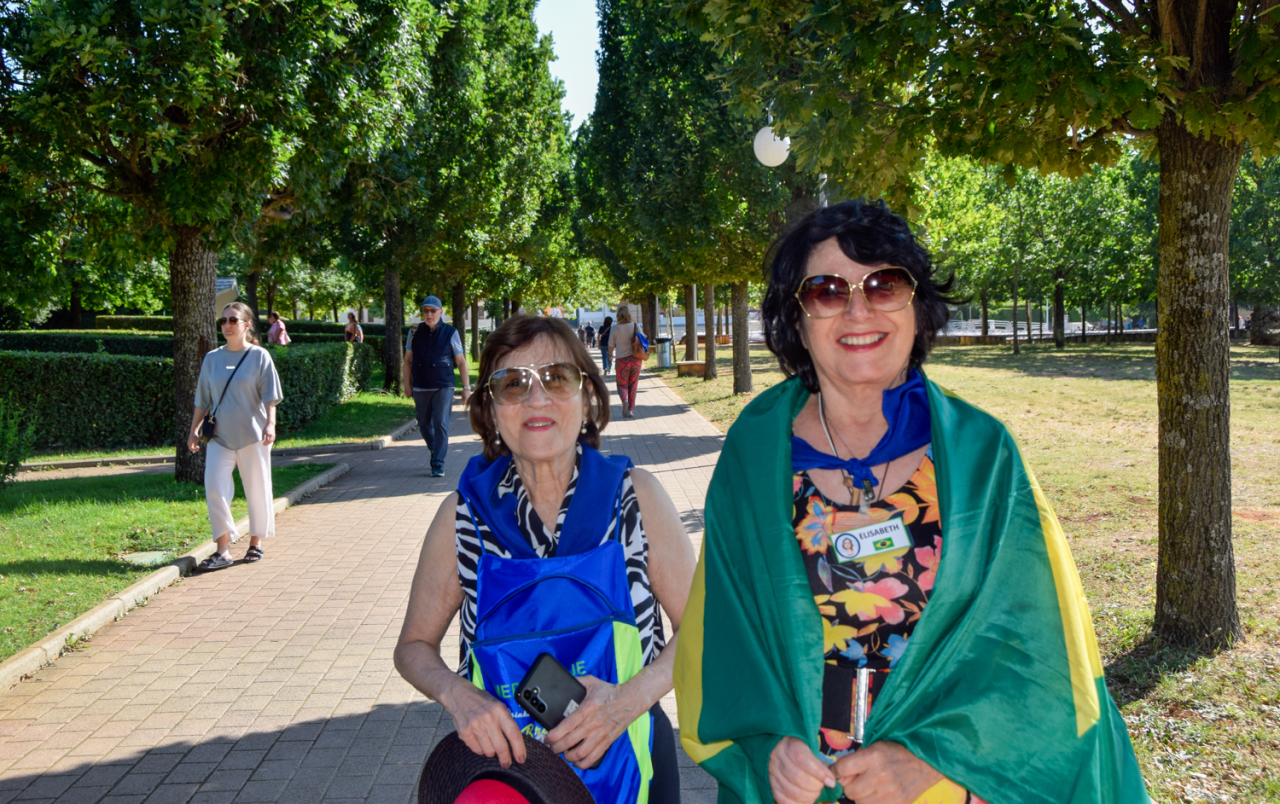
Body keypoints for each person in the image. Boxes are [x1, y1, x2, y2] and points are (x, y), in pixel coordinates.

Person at [674, 200, 1148, 804]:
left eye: (885, 284)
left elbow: (1041, 654)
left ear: (918, 306)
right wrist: (768, 747)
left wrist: (929, 761)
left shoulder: (981, 455)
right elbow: (723, 634)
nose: (858, 310)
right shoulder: (755, 451)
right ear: (797, 319)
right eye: (826, 291)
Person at [394, 315, 696, 804]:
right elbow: (412, 647)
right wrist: (458, 696)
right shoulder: (463, 516)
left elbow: (704, 626)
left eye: (557, 378)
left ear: (587, 397)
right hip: (509, 778)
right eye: (513, 384)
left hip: (632, 762)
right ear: (491, 408)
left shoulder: (636, 498)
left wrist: (627, 701)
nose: (536, 399)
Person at [187, 302, 283, 570]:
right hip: (219, 436)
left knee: (257, 488)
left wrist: (270, 424)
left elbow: (271, 396)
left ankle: (255, 542)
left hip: (254, 434)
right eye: (223, 321)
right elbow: (202, 399)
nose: (227, 325)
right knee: (214, 488)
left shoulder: (259, 356)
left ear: (247, 325)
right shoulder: (212, 358)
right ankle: (223, 549)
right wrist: (194, 429)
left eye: (233, 320)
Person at [403, 296, 472, 477]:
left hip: (444, 385)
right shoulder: (414, 331)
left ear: (441, 312)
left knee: (440, 422)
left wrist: (466, 387)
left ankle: (438, 463)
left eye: (433, 310)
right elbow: (407, 361)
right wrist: (407, 385)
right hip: (421, 385)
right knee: (423, 424)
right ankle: (435, 449)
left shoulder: (451, 332)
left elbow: (461, 362)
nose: (429, 314)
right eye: (426, 310)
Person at [608, 306, 640, 418]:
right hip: (635, 360)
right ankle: (630, 410)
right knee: (633, 384)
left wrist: (610, 354)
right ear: (629, 314)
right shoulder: (635, 326)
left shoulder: (614, 328)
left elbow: (610, 345)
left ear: (618, 315)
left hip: (621, 361)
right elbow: (643, 338)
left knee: (622, 384)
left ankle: (624, 400)